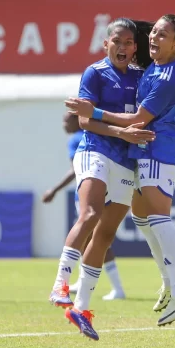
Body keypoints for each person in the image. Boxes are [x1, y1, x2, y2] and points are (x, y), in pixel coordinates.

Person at [66, 14, 175, 328]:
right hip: (144, 149)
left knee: (157, 217)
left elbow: (140, 118)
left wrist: (93, 112)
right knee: (142, 218)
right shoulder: (155, 68)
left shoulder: (169, 73)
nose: (153, 37)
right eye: (153, 32)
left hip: (155, 149)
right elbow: (159, 116)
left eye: (163, 34)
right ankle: (169, 283)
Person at [42, 112, 127, 301]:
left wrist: (54, 190)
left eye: (66, 120)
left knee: (90, 238)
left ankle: (117, 288)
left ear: (77, 119)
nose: (63, 124)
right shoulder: (99, 135)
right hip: (107, 192)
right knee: (94, 240)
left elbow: (74, 170)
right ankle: (89, 282)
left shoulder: (77, 139)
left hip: (86, 195)